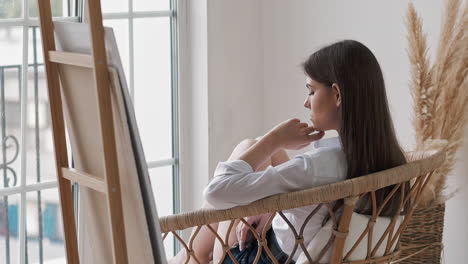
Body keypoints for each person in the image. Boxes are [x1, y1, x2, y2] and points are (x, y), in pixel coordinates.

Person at [169, 39, 407, 264]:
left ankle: (191, 258)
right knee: (256, 144)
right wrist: (272, 211)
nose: (306, 102)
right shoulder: (386, 158)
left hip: (263, 257)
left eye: (311, 91)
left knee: (248, 148)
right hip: (292, 239)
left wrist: (275, 139)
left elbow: (216, 192)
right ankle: (183, 258)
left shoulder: (315, 168)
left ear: (337, 95)